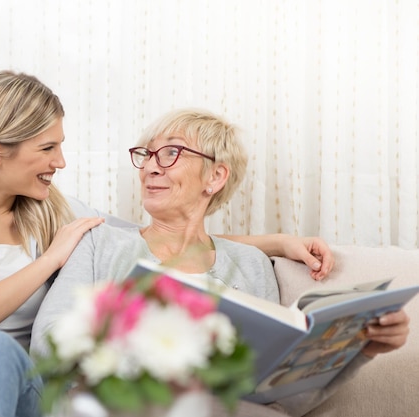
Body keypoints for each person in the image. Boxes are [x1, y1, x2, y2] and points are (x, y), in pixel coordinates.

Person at [0, 70, 340, 417]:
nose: (61, 161)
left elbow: (158, 237)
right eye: (47, 148)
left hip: (15, 397)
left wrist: (275, 242)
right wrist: (52, 259)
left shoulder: (61, 212)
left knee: (6, 362)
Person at [30, 108, 410, 417]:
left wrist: (361, 349)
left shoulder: (251, 265)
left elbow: (281, 398)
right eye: (146, 154)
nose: (150, 167)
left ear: (215, 176)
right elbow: (47, 344)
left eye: (170, 153)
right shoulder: (101, 242)